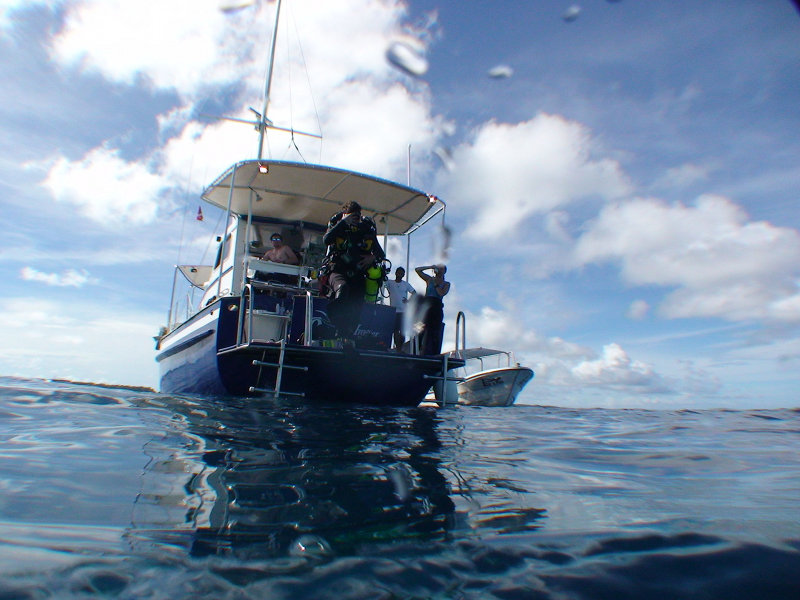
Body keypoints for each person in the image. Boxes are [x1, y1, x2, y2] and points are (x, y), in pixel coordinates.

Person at [322, 201, 385, 341]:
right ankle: (334, 323)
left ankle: (346, 335)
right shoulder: (338, 226)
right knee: (343, 289)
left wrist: (372, 257)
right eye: (351, 216)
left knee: (357, 304)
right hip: (338, 270)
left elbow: (381, 254)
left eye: (357, 216)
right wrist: (343, 223)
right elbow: (326, 240)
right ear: (344, 215)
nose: (354, 219)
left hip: (357, 273)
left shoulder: (365, 229)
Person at [414, 264, 450, 355]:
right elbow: (417, 270)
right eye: (438, 268)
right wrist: (430, 267)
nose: (439, 270)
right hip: (427, 305)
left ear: (444, 271)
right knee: (420, 328)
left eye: (441, 269)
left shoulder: (446, 284)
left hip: (436, 306)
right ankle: (415, 349)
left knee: (435, 330)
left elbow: (441, 293)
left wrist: (436, 284)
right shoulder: (429, 279)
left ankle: (434, 352)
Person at [385, 266, 416, 350]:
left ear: (403, 275)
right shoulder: (390, 282)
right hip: (393, 310)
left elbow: (414, 293)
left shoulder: (405, 284)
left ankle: (400, 348)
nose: (400, 274)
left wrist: (408, 301)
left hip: (403, 311)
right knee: (395, 330)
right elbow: (383, 283)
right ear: (396, 273)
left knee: (402, 330)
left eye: (402, 273)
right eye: (399, 272)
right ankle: (396, 346)